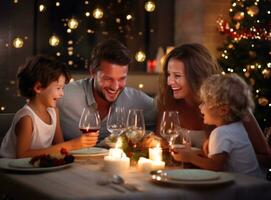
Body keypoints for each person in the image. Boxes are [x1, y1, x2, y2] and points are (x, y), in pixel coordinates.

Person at [155, 43, 271, 163]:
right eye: (168, 75)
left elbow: (266, 156)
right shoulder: (169, 103)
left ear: (197, 77)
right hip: (185, 177)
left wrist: (220, 159)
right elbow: (159, 146)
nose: (169, 82)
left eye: (177, 76)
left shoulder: (228, 105)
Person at [57, 39, 156, 144]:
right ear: (93, 72)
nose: (115, 86)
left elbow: (165, 116)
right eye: (108, 79)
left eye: (122, 79)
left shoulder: (137, 101)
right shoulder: (64, 95)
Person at [0, 55, 98, 158]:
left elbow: (59, 147)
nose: (62, 94)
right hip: (10, 169)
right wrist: (72, 145)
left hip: (35, 167)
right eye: (58, 88)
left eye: (62, 88)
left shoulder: (54, 112)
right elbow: (22, 155)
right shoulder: (27, 118)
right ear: (38, 88)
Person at [172, 73, 262, 177]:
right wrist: (200, 153)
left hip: (243, 186)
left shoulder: (220, 132)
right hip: (255, 182)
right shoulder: (237, 127)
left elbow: (215, 166)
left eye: (204, 103)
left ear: (223, 110)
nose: (200, 107)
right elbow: (222, 159)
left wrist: (189, 158)